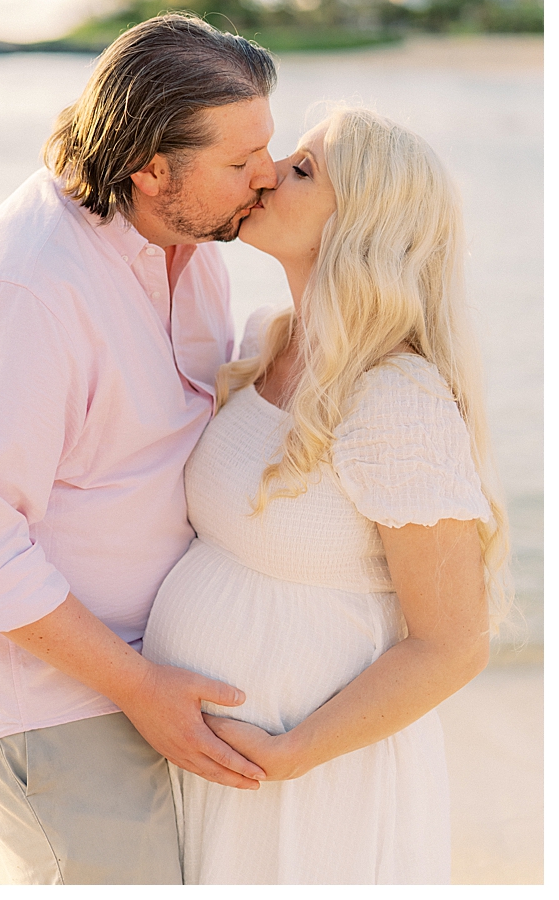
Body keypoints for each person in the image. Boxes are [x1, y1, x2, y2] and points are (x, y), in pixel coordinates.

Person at [0, 12, 278, 884]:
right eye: (238, 162)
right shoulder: (23, 285)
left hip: (137, 678)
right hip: (51, 698)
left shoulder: (191, 247)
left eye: (267, 147)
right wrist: (141, 689)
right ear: (152, 168)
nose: (265, 178)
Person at [142, 108, 508, 884]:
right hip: (217, 767)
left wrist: (292, 754)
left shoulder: (395, 398)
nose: (269, 172)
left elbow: (452, 644)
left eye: (305, 169)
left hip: (315, 786)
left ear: (363, 225)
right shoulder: (265, 340)